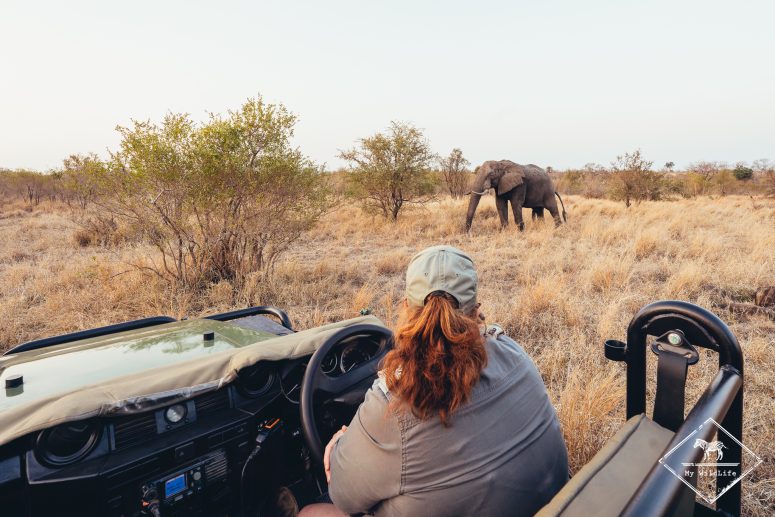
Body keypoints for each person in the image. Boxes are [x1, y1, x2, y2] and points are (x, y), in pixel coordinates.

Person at [300, 245, 568, 517]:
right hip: (549, 507)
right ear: (476, 311)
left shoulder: (391, 404)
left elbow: (344, 496)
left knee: (310, 512)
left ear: (406, 308)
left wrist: (339, 445)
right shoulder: (514, 352)